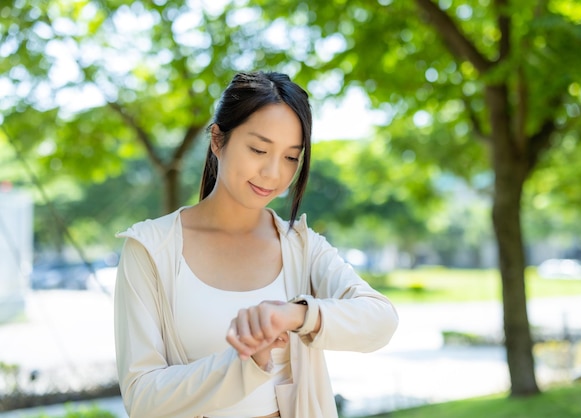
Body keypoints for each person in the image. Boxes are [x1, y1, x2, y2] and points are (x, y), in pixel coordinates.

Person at [113, 71, 399, 418]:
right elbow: (141, 397)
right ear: (217, 140)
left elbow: (380, 321)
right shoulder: (150, 250)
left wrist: (294, 314)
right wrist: (246, 362)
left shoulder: (300, 246)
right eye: (259, 149)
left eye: (291, 157)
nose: (273, 173)